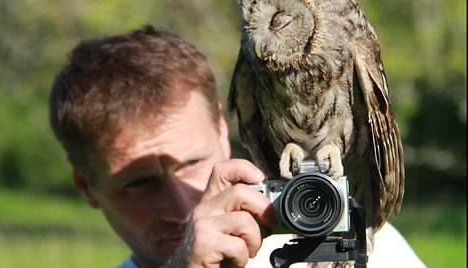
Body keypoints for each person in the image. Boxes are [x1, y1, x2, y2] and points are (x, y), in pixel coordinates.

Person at [49, 24, 426, 268]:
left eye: (193, 163)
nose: (184, 209)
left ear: (222, 127)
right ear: (87, 187)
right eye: (139, 184)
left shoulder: (345, 230)